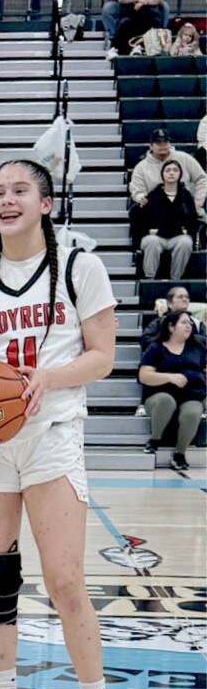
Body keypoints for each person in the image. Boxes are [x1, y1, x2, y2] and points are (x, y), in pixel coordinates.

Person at [0, 158, 118, 689]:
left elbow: (102, 356)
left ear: (46, 203)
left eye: (21, 190)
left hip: (51, 436)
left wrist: (49, 377)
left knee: (65, 579)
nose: (6, 200)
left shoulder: (79, 267)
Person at [140, 310, 206, 468]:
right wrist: (170, 377)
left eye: (190, 323)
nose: (188, 326)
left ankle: (180, 454)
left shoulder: (197, 349)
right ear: (171, 327)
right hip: (158, 396)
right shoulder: (156, 348)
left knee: (193, 412)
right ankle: (155, 440)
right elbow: (144, 375)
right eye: (183, 322)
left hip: (191, 396)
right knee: (166, 401)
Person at [129, 129, 207, 234]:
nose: (162, 145)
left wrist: (198, 201)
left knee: (201, 216)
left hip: (183, 208)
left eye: (165, 141)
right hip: (156, 210)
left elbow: (202, 178)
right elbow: (136, 190)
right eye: (158, 142)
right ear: (151, 146)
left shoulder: (184, 158)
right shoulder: (141, 167)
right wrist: (141, 197)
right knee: (136, 211)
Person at [140, 159, 198, 279]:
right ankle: (149, 279)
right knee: (151, 242)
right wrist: (151, 231)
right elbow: (142, 221)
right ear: (163, 175)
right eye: (168, 170)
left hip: (177, 238)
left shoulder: (186, 196)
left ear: (180, 174)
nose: (171, 173)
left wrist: (185, 231)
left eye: (175, 170)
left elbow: (193, 220)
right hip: (156, 237)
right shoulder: (152, 196)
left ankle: (175, 279)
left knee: (185, 242)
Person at [141, 285, 206, 351]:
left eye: (187, 297)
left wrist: (188, 338)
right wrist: (168, 337)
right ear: (170, 303)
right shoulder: (159, 323)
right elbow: (145, 341)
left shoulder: (197, 324)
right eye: (180, 297)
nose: (185, 299)